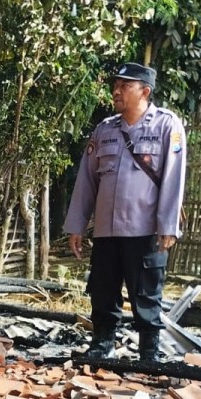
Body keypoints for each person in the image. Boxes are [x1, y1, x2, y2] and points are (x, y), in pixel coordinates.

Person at [65, 61, 187, 362]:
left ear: (145, 91)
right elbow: (87, 179)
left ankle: (149, 351)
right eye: (116, 85)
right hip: (106, 230)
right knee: (103, 289)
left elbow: (174, 178)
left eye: (125, 86)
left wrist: (168, 225)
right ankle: (102, 343)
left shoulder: (166, 126)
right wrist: (77, 225)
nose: (116, 91)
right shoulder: (105, 130)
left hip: (144, 229)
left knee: (146, 292)